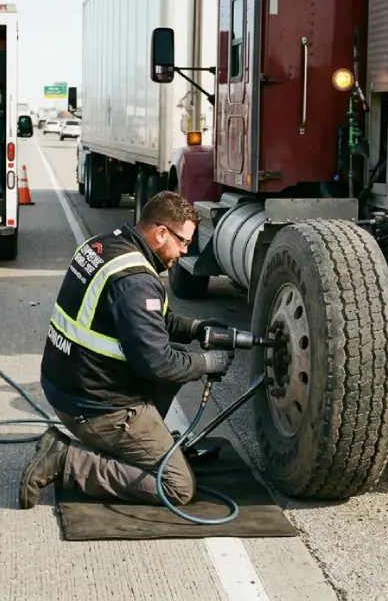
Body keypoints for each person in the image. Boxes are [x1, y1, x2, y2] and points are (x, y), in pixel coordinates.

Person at [18, 190, 233, 510]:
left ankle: (139, 444)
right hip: (94, 407)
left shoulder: (103, 246)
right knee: (178, 486)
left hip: (68, 384)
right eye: (183, 242)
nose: (184, 251)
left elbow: (146, 321)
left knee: (176, 355)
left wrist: (195, 329)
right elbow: (157, 363)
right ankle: (65, 460)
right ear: (161, 232)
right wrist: (207, 362)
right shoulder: (136, 279)